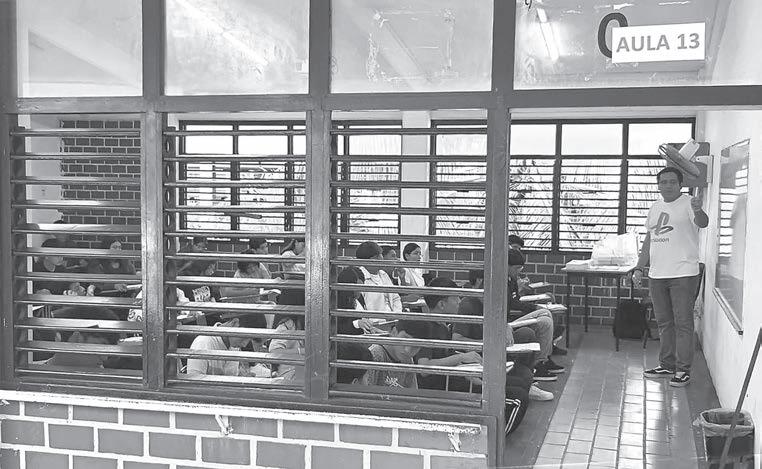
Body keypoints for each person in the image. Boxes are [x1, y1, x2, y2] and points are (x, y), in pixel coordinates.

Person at [635, 167, 708, 387]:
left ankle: (683, 370)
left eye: (672, 182)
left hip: (683, 273)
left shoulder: (689, 203)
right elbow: (649, 240)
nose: (668, 185)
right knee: (664, 322)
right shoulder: (655, 207)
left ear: (680, 184)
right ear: (658, 185)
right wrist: (639, 267)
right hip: (657, 274)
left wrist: (698, 210)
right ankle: (666, 365)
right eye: (663, 182)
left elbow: (703, 223)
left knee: (683, 323)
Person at [185, 314, 267, 377]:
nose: (245, 344)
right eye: (244, 338)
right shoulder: (203, 343)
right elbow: (193, 385)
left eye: (249, 340)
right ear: (235, 323)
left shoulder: (233, 346)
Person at [44, 306, 121, 368]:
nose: (105, 358)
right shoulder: (37, 376)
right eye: (100, 347)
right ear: (76, 337)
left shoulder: (103, 378)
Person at [365, 320, 431, 389]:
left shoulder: (408, 360)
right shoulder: (375, 355)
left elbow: (412, 393)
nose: (407, 350)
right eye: (405, 339)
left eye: (415, 346)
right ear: (394, 332)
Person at [355, 241, 402, 313]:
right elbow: (359, 307)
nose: (382, 258)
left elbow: (395, 298)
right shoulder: (359, 278)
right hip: (374, 319)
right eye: (380, 255)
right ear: (373, 259)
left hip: (392, 318)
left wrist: (397, 314)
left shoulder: (383, 274)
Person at [269, 289, 306, 380]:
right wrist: (301, 351)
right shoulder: (288, 325)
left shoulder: (314, 323)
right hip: (291, 377)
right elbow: (274, 351)